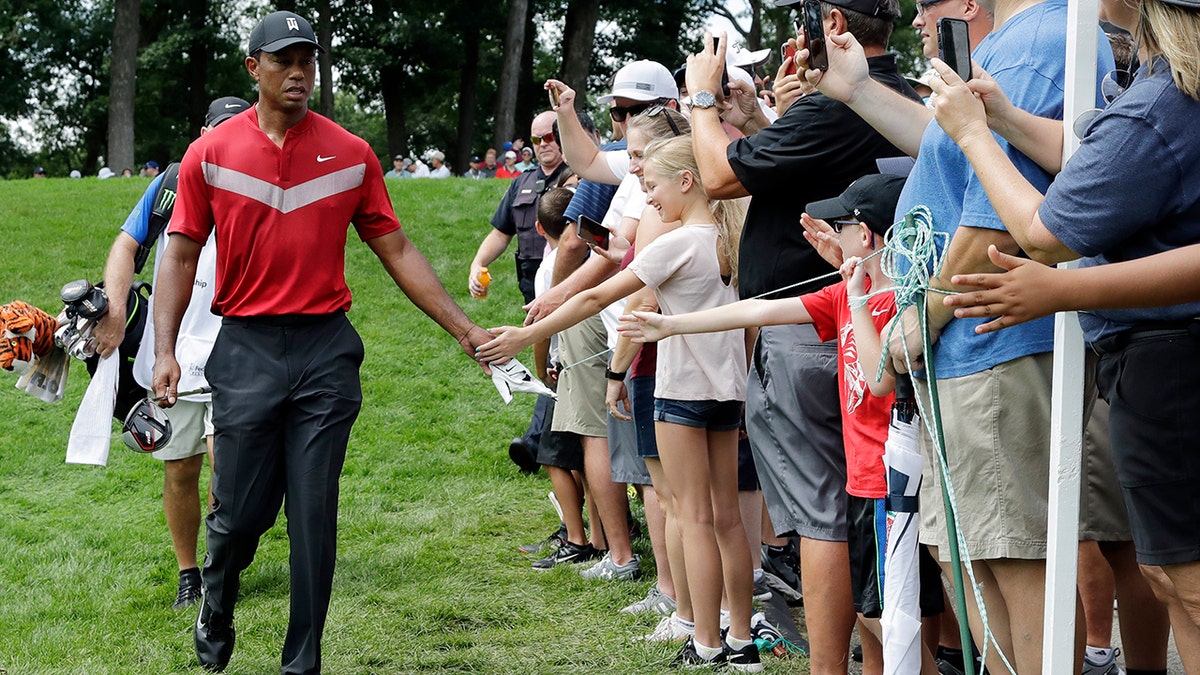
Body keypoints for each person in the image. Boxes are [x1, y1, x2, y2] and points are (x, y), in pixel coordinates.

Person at [150, 12, 492, 674]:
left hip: (325, 352)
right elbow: (179, 252)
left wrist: (467, 329)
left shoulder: (352, 152)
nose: (300, 71)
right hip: (244, 347)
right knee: (240, 517)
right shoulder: (210, 155)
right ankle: (216, 601)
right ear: (254, 69)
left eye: (308, 58)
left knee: (313, 514)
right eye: (283, 60)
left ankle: (302, 662)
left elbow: (394, 246)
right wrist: (164, 349)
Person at [802, 0, 1113, 667]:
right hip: (971, 349)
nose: (917, 16)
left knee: (1010, 562)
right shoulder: (1019, 41)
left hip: (991, 341)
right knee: (976, 561)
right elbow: (952, 148)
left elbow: (1002, 214)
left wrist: (927, 311)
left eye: (926, 3)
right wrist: (855, 87)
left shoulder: (1040, 40)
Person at [926, 0, 1200, 668]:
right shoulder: (1160, 91)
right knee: (1171, 577)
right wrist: (1007, 119)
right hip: (1156, 362)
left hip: (1169, 363)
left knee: (1189, 583)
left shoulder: (1158, 102)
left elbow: (1044, 231)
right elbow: (1099, 163)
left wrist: (973, 137)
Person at [620, 172, 943, 675]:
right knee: (875, 614)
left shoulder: (894, 302)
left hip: (892, 490)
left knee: (891, 620)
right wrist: (671, 324)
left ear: (870, 237)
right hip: (863, 486)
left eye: (842, 225)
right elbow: (759, 309)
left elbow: (880, 380)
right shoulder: (845, 295)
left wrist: (855, 294)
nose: (833, 235)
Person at [685, 6, 920, 670]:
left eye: (802, 21)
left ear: (834, 20)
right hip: (871, 324)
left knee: (822, 509)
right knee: (872, 497)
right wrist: (758, 119)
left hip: (812, 328)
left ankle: (826, 665)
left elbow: (718, 177)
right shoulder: (903, 99)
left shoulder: (834, 106)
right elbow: (809, 172)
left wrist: (703, 97)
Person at [477, 135, 761, 671]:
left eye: (652, 186)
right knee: (726, 520)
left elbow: (594, 296)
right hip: (727, 395)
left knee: (696, 519)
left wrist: (520, 335)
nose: (647, 197)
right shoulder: (731, 240)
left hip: (681, 395)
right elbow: (744, 327)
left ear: (686, 182)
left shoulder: (678, 243)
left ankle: (704, 642)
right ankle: (741, 643)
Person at [93, 95, 251, 612]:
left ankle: (218, 565)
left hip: (241, 352)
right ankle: (191, 574)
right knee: (180, 469)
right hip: (173, 355)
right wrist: (115, 310)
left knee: (225, 469)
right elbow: (125, 246)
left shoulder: (257, 182)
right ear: (203, 131)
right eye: (217, 129)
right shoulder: (171, 184)